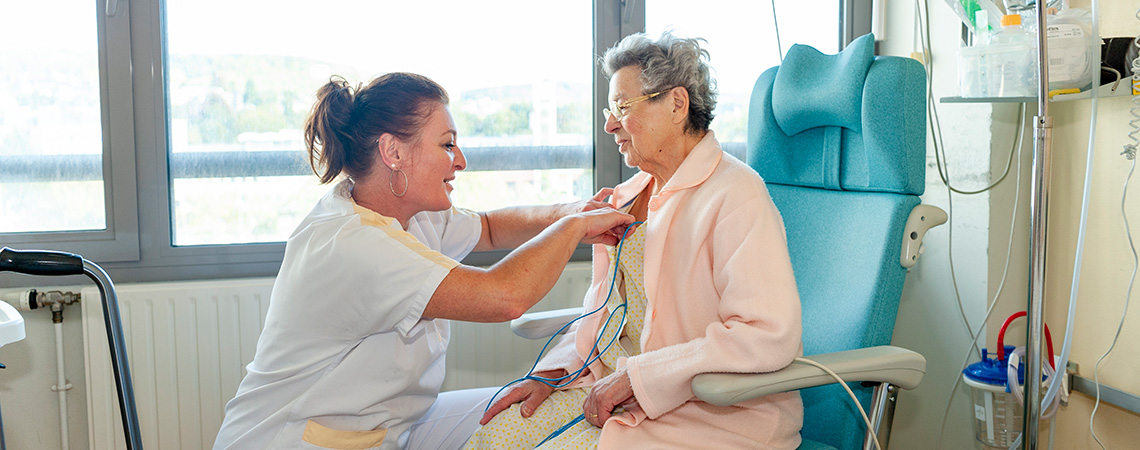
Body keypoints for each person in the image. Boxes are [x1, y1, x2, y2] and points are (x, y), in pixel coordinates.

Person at [212, 73, 634, 450]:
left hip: (389, 427)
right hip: (295, 438)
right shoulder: (355, 245)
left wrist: (572, 210)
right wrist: (573, 230)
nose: (461, 160)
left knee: (523, 414)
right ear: (393, 152)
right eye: (447, 144)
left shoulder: (411, 213)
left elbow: (488, 227)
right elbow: (503, 297)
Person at [465, 32, 804, 449]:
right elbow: (605, 318)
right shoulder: (632, 194)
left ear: (677, 104)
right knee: (494, 437)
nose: (609, 124)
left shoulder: (737, 195)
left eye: (622, 108)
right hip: (610, 390)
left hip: (709, 412)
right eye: (611, 109)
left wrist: (639, 378)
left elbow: (765, 335)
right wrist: (555, 372)